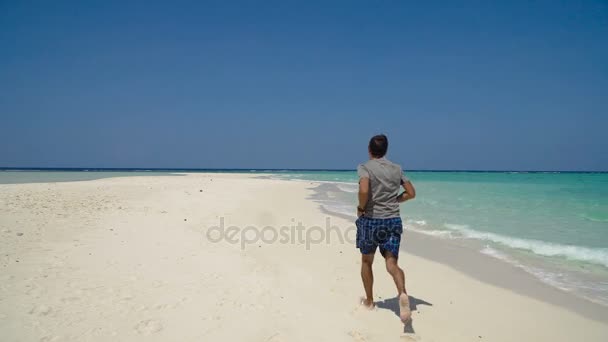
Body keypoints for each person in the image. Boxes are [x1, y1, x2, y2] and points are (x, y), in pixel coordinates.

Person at [356, 134, 416, 323]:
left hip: (371, 220)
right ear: (386, 150)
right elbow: (411, 193)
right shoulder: (397, 169)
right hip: (393, 220)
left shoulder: (365, 167)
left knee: (367, 261)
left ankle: (370, 301)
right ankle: (402, 293)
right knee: (391, 264)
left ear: (369, 149)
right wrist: (397, 199)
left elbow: (364, 190)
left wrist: (361, 208)